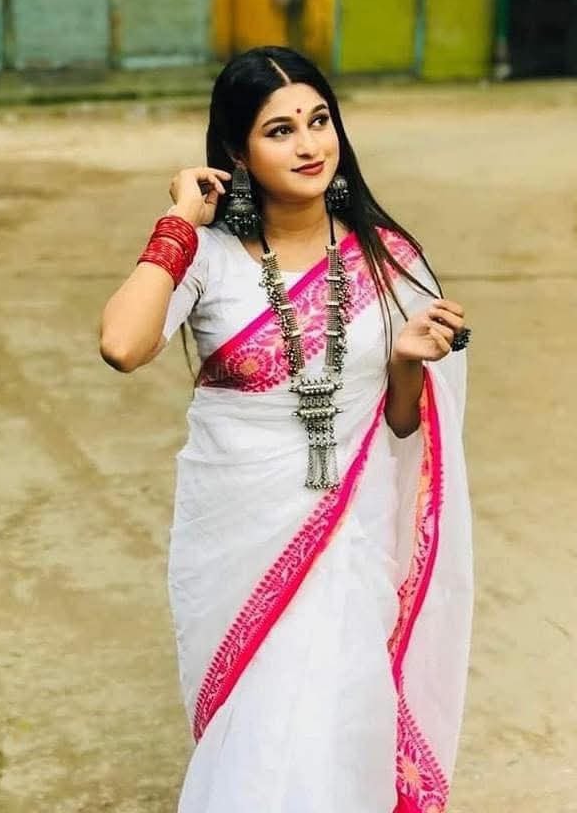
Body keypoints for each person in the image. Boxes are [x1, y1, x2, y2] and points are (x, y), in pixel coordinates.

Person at [99, 47, 473, 813]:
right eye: (279, 130)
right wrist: (176, 223)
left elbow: (404, 430)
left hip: (353, 538)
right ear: (237, 152)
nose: (308, 145)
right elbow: (123, 345)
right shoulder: (207, 259)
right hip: (238, 538)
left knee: (331, 726)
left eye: (319, 120)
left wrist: (405, 364)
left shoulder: (389, 259)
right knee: (260, 734)